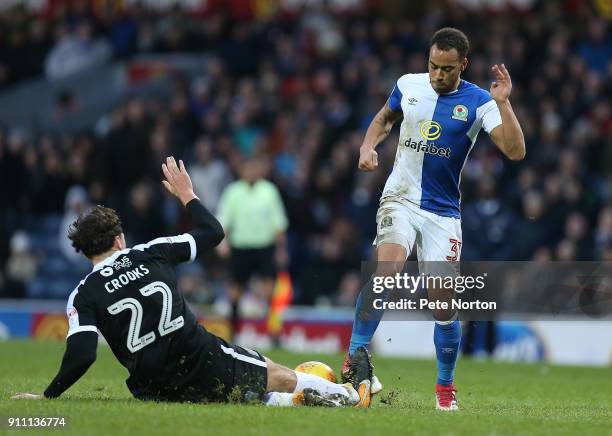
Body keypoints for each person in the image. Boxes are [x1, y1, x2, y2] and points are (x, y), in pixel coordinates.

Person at [12, 157, 371, 408]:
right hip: (200, 358)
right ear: (119, 238)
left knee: (242, 397)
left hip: (153, 388)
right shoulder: (150, 252)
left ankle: (293, 402)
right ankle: (354, 397)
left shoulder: (82, 294)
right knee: (276, 374)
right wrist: (188, 196)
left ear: (84, 251)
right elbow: (213, 233)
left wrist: (49, 396)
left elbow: (83, 354)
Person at [342, 27, 525, 410]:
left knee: (444, 304)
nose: (438, 75)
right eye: (433, 66)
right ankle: (355, 355)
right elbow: (383, 118)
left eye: (446, 68)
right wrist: (366, 145)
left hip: (443, 213)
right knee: (387, 270)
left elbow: (514, 151)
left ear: (463, 65)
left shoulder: (479, 101)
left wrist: (505, 104)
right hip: (401, 198)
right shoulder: (409, 84)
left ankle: (444, 387)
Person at [216, 157, 289, 341]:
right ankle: (233, 331)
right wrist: (222, 243)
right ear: (241, 171)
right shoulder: (232, 192)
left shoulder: (269, 191)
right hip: (240, 247)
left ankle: (274, 333)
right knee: (235, 290)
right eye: (247, 169)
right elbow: (224, 219)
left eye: (254, 169)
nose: (251, 172)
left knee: (270, 290)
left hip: (264, 246)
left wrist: (281, 249)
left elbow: (278, 223)